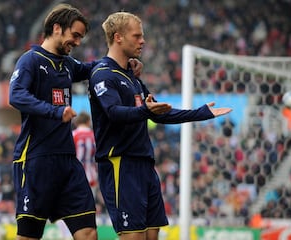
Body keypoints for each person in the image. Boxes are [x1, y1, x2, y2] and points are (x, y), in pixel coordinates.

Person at [88, 11, 232, 240]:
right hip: (120, 164)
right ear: (118, 37)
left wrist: (201, 113)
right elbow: (114, 113)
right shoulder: (103, 75)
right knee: (133, 237)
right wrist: (146, 110)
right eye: (137, 36)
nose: (142, 41)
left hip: (145, 163)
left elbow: (159, 114)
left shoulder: (132, 77)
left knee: (152, 236)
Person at [8, 4, 143, 240]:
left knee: (89, 233)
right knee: (29, 236)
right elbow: (16, 95)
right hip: (36, 160)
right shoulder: (30, 60)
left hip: (68, 163)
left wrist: (124, 63)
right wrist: (54, 112)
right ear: (57, 28)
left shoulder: (68, 65)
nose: (78, 42)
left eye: (81, 37)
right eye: (75, 35)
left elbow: (94, 68)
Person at [72, 111, 97, 192]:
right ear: (88, 121)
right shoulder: (94, 135)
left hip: (75, 177)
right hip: (92, 176)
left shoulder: (73, 135)